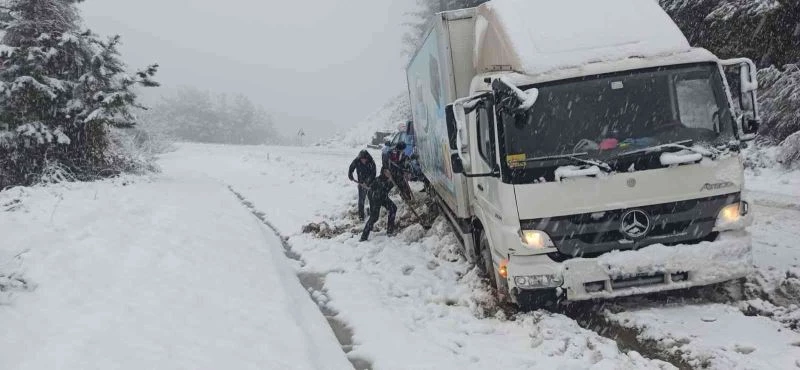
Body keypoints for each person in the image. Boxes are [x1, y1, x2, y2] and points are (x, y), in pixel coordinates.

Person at [360, 167, 397, 241]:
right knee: (374, 217)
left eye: (389, 172)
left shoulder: (390, 179)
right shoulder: (378, 180)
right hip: (375, 199)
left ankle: (390, 231)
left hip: (383, 197)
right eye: (386, 172)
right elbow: (371, 190)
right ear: (383, 172)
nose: (388, 174)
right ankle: (363, 237)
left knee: (393, 208)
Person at [348, 150, 376, 220]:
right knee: (361, 200)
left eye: (364, 159)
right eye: (361, 159)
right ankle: (361, 216)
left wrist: (367, 182)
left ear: (367, 158)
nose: (363, 160)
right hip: (361, 183)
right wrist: (350, 175)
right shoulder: (357, 160)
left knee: (371, 199)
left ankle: (373, 215)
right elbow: (351, 168)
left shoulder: (371, 162)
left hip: (370, 184)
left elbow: (373, 173)